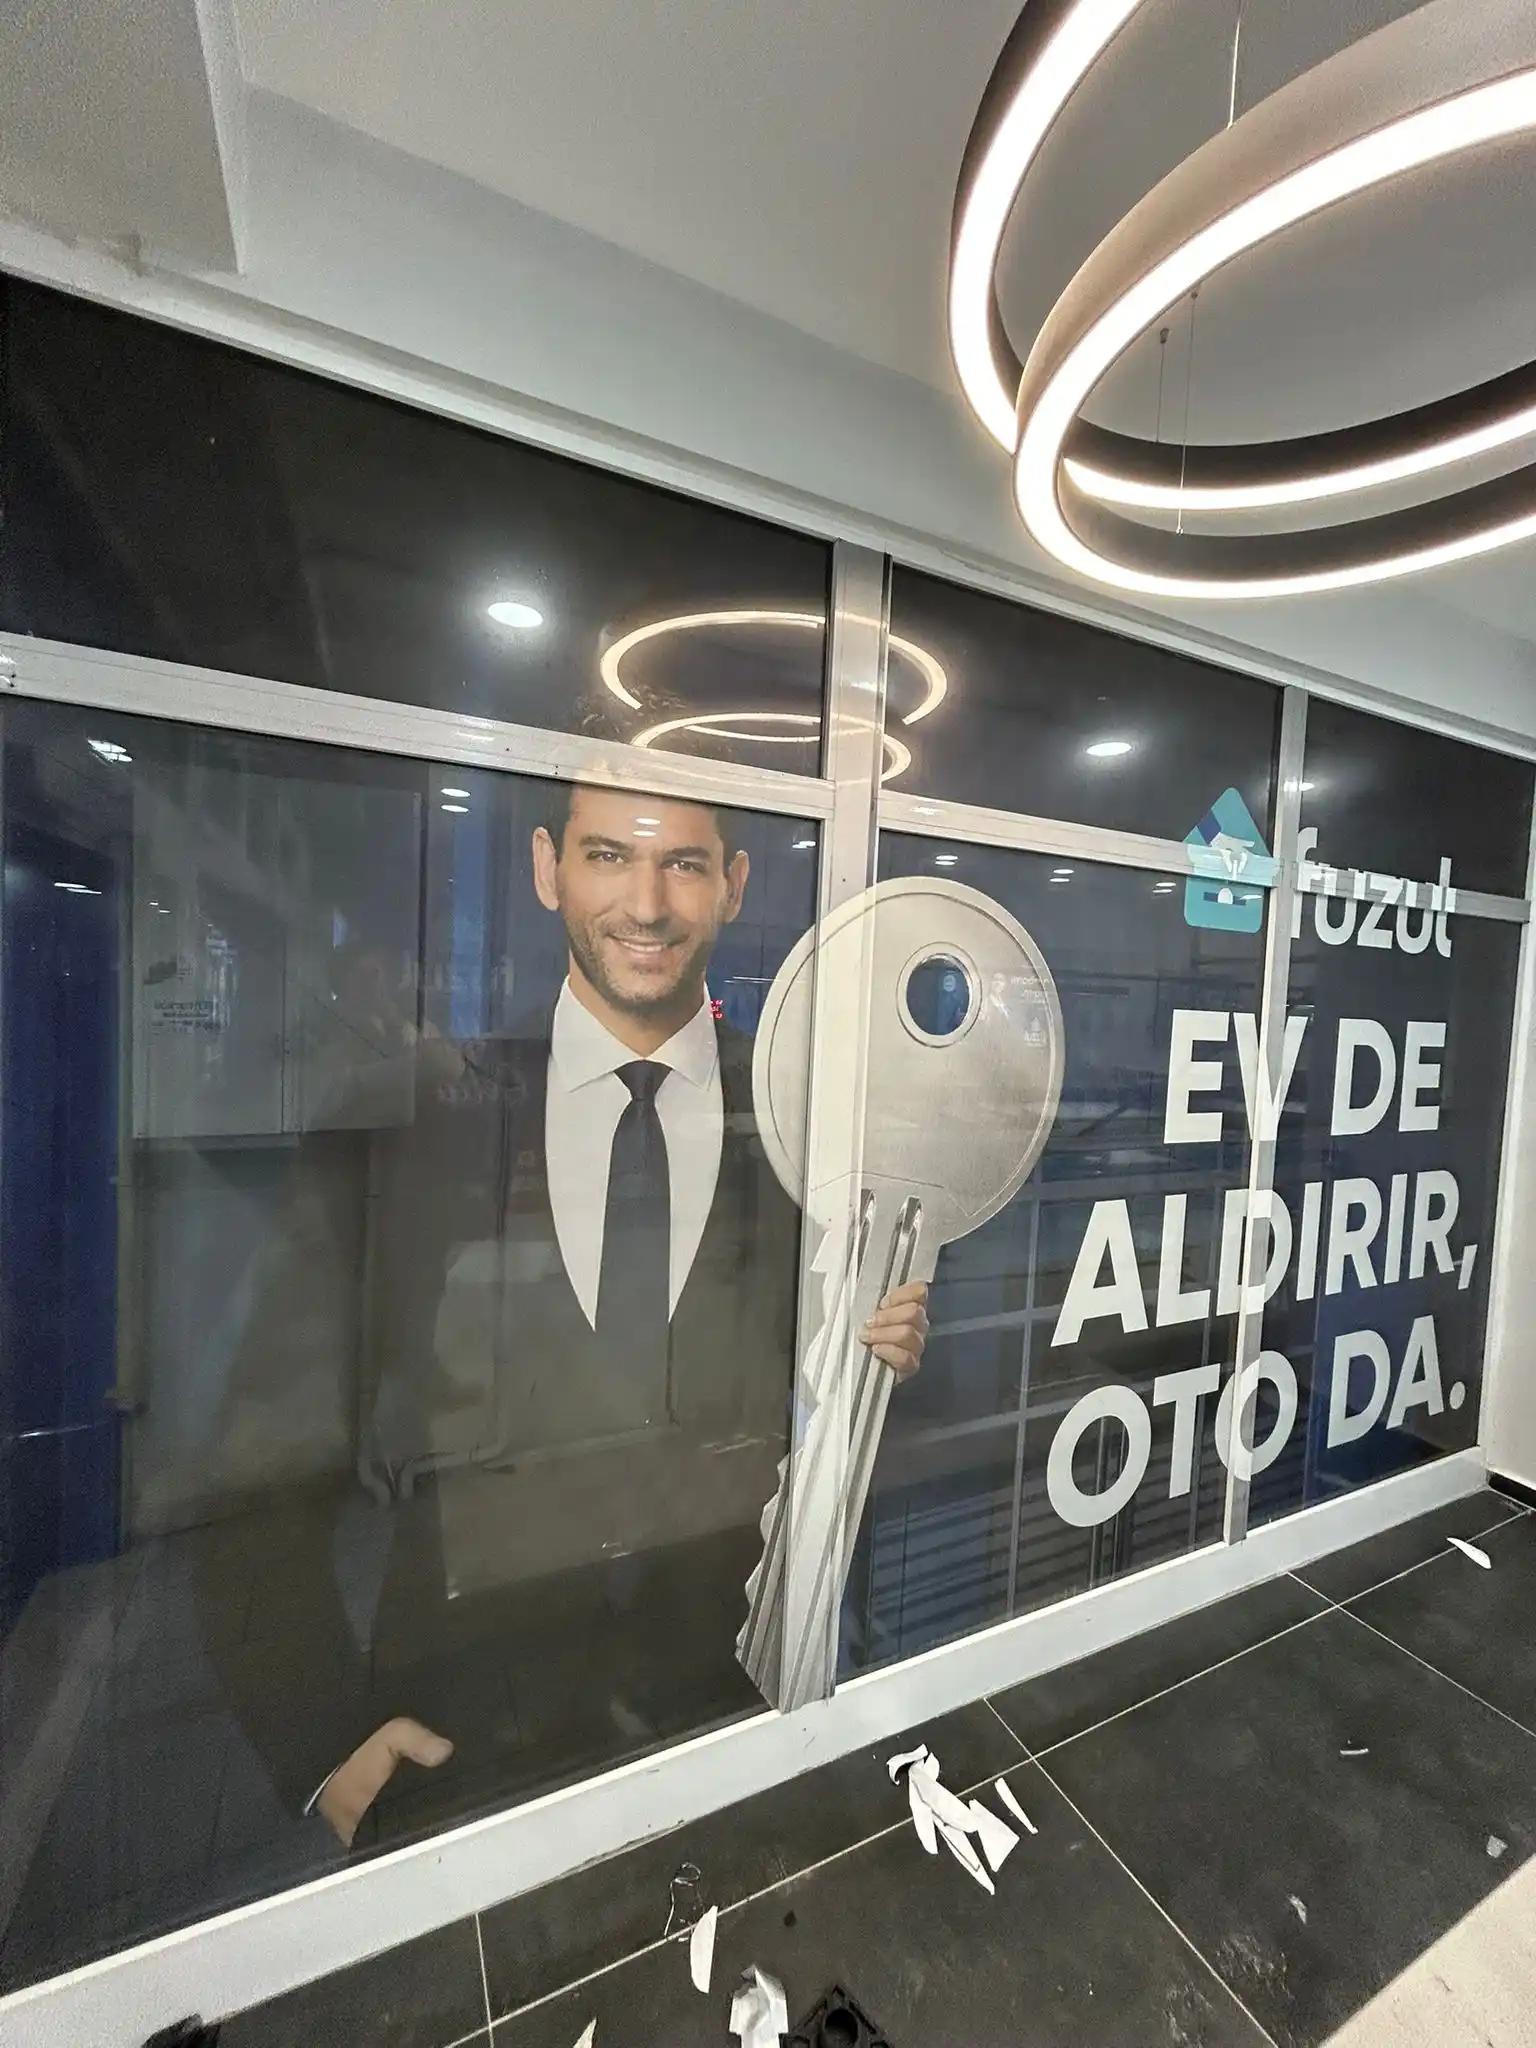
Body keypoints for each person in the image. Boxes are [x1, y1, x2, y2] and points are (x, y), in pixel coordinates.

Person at [203, 782, 927, 1850]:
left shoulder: (803, 1122)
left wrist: (889, 1362)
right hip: (463, 1720)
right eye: (607, 856)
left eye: (685, 863)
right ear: (548, 868)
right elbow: (261, 1451)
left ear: (733, 886)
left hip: (732, 1688)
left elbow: (837, 1402)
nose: (648, 903)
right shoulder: (414, 1119)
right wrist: (324, 1740)